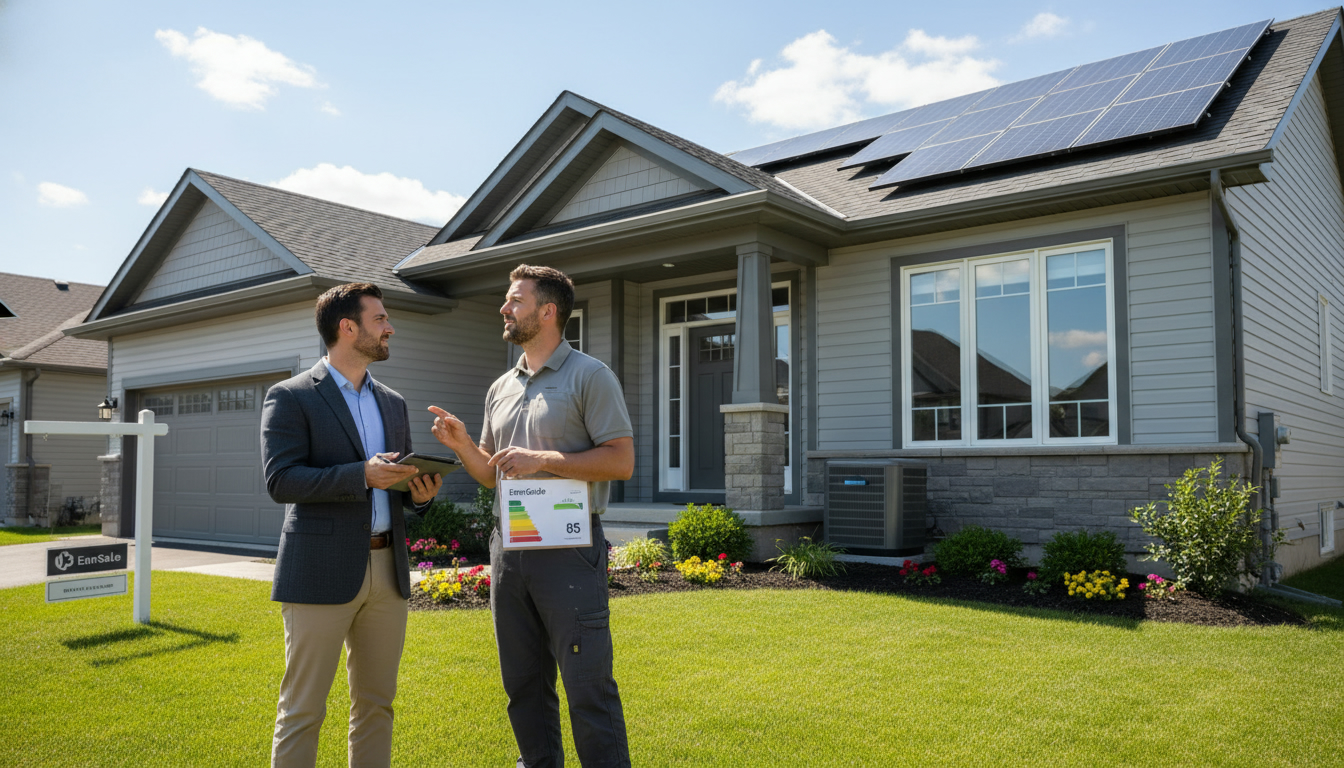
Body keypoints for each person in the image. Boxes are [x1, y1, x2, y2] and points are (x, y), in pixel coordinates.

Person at [429, 264, 634, 768]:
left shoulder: (590, 375)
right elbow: (489, 472)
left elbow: (621, 460)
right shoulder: (500, 386)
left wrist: (544, 460)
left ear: (547, 312)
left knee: (588, 685)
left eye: (515, 300)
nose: (504, 307)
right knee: (522, 684)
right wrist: (460, 445)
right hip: (510, 552)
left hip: (568, 551)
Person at [262, 282, 442, 768]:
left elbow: (396, 486)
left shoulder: (393, 402)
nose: (390, 327)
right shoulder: (292, 396)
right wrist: (361, 473)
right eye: (380, 319)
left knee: (377, 704)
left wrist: (419, 497)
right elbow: (281, 479)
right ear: (348, 327)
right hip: (318, 569)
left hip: (388, 570)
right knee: (303, 709)